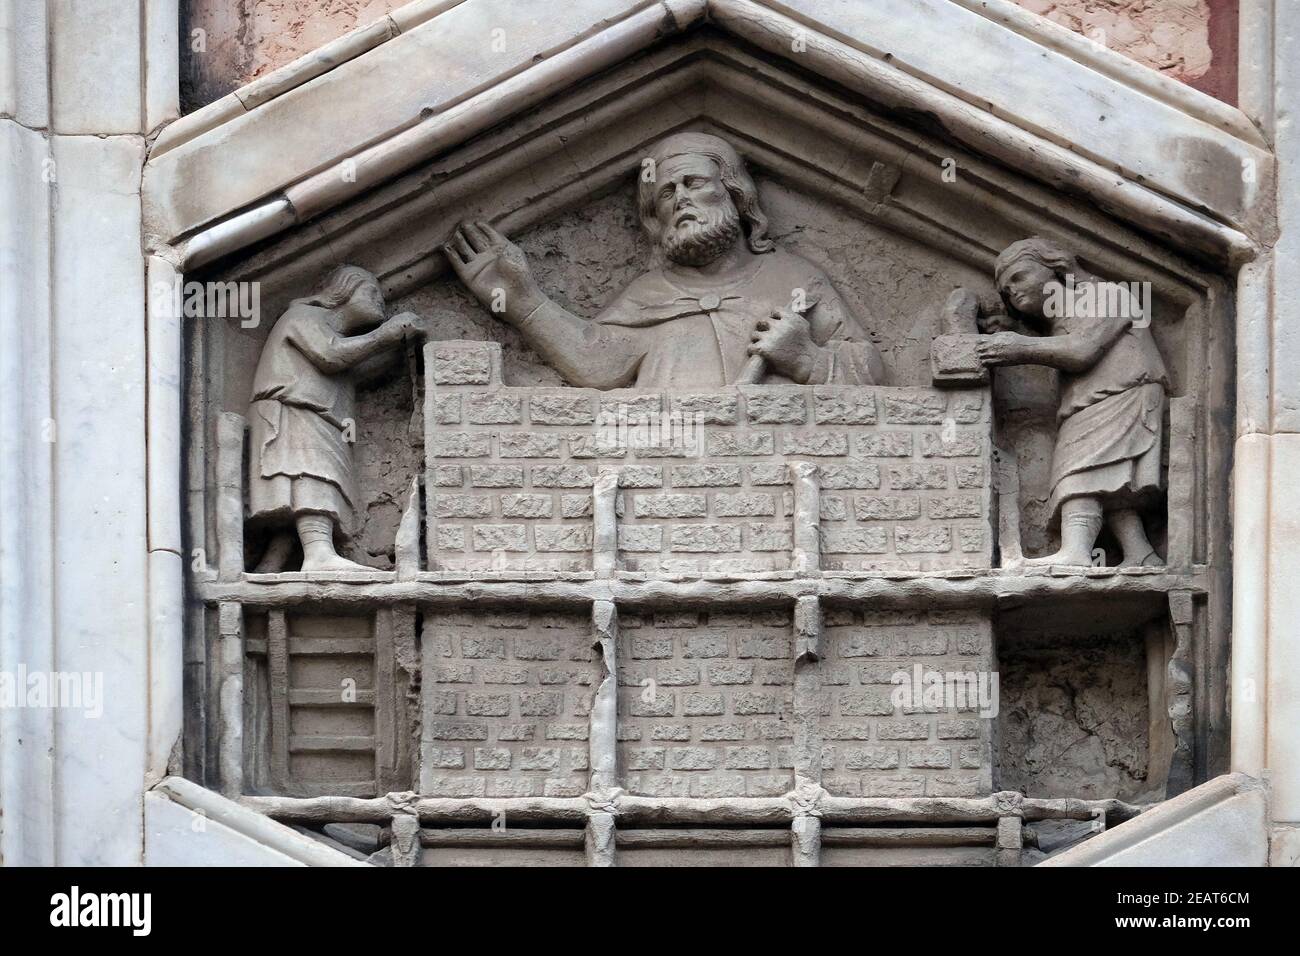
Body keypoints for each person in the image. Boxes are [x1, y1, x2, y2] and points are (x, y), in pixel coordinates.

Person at [444, 131, 883, 388]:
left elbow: (873, 373)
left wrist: (808, 359)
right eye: (666, 194)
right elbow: (597, 362)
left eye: (694, 183)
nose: (681, 200)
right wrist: (522, 302)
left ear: (735, 194)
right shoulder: (649, 294)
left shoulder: (794, 279)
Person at [972, 237, 1168, 567]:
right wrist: (1018, 331)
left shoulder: (1107, 295)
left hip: (1121, 397)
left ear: (1057, 269)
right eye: (1006, 291)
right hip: (1100, 400)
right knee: (1108, 478)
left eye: (1019, 277)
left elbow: (1081, 350)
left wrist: (1018, 346)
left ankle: (1076, 552)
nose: (1013, 293)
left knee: (1077, 469)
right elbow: (1065, 343)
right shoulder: (1063, 317)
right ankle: (1141, 554)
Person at [247, 266, 426, 572]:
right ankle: (318, 554)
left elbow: (354, 371)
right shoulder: (304, 317)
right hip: (296, 413)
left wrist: (400, 347)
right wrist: (384, 335)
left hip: (312, 416)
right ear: (344, 291)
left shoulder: (334, 335)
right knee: (311, 476)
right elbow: (332, 356)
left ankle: (272, 562)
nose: (380, 300)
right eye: (371, 291)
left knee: (300, 485)